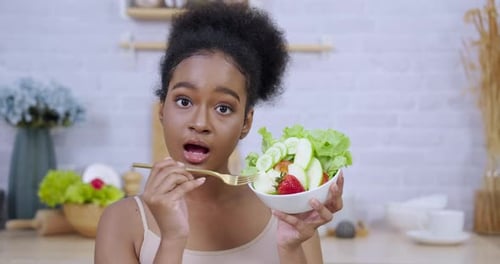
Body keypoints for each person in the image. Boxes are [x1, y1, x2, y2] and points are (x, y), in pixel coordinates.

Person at [95, 2, 344, 263]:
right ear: (162, 110)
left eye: (223, 108)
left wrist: (291, 247)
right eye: (184, 101)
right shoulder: (121, 223)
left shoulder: (287, 212)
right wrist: (172, 238)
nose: (200, 122)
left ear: (246, 123)